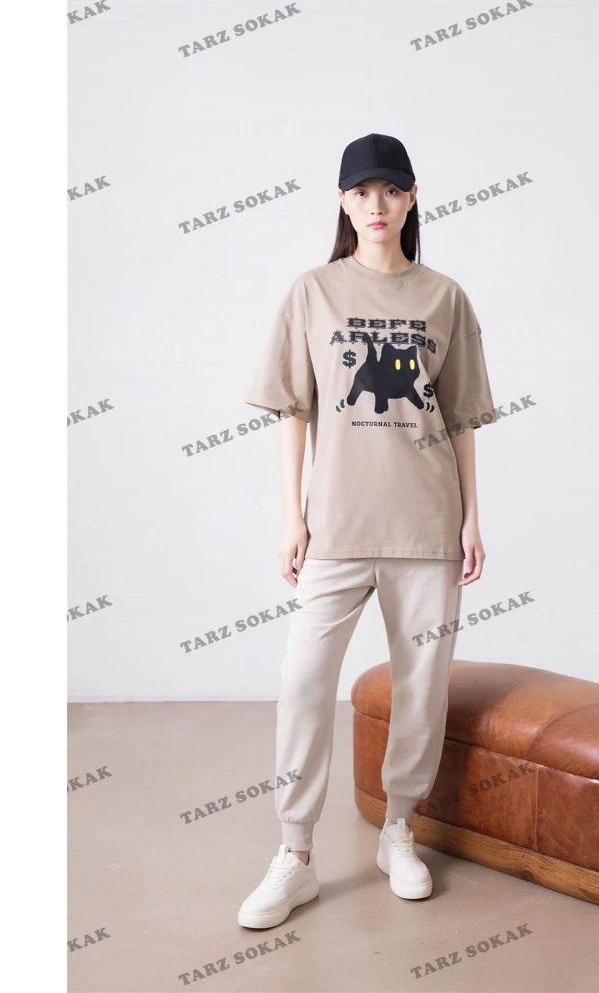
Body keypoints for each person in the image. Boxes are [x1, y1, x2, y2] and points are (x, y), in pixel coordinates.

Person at [237, 133, 498, 929]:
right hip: (337, 530)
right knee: (303, 683)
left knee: (421, 687)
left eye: (390, 190)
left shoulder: (445, 297)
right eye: (361, 192)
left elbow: (460, 418)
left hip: (427, 526)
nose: (376, 205)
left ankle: (398, 830)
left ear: (412, 198)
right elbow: (293, 410)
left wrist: (472, 517)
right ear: (343, 203)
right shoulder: (312, 292)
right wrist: (292, 516)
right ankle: (296, 855)